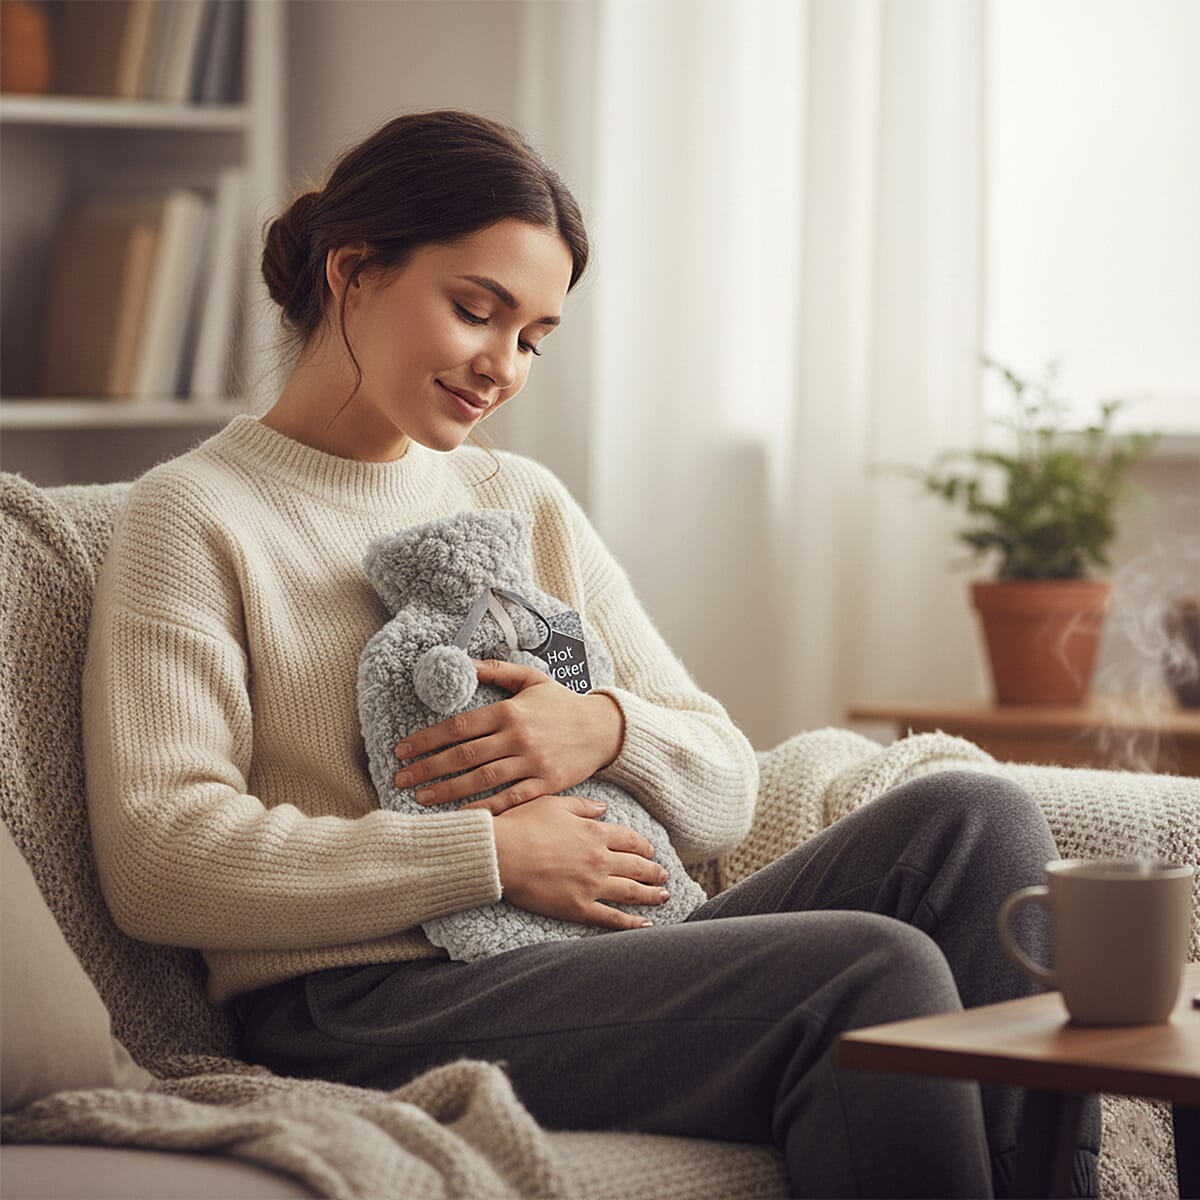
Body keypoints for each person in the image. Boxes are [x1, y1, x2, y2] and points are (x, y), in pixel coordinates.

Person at [83, 108, 1098, 1198]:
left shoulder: (516, 498)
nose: (503, 367)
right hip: (362, 1003)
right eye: (477, 311)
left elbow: (723, 783)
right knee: (873, 971)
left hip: (577, 953)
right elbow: (160, 858)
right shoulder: (194, 516)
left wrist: (604, 724)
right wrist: (490, 856)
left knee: (974, 821)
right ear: (356, 274)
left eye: (532, 337)